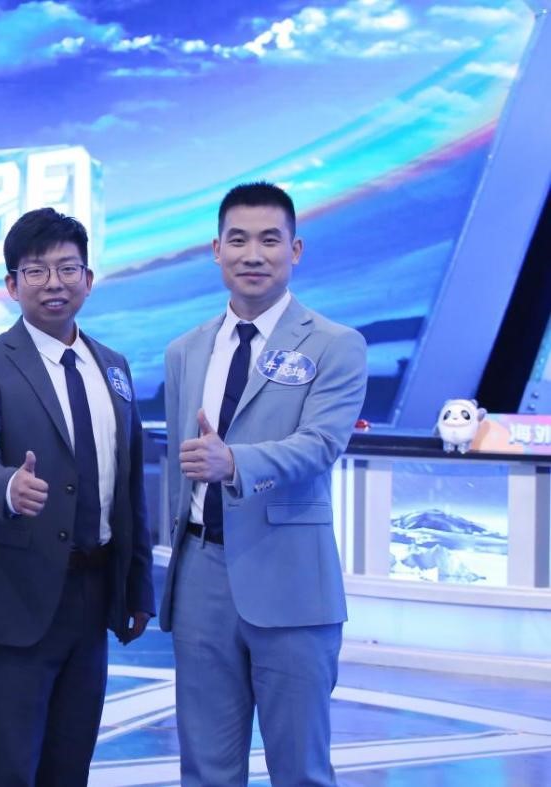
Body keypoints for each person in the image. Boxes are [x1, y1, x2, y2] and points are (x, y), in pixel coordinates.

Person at [160, 181, 367, 786]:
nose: (253, 254)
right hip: (201, 575)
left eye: (270, 240)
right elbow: (179, 467)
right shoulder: (184, 351)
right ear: (216, 251)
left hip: (291, 574)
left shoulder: (336, 345)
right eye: (238, 240)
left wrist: (234, 463)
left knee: (300, 768)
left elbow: (320, 444)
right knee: (206, 768)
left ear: (295, 250)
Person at [0, 207, 156, 785]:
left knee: (70, 765)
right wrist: (9, 487)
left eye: (68, 268)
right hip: (17, 597)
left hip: (94, 592)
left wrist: (137, 585)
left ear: (88, 279)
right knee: (11, 769)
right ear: (12, 284)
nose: (54, 283)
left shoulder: (113, 367)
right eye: (36, 271)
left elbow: (129, 484)